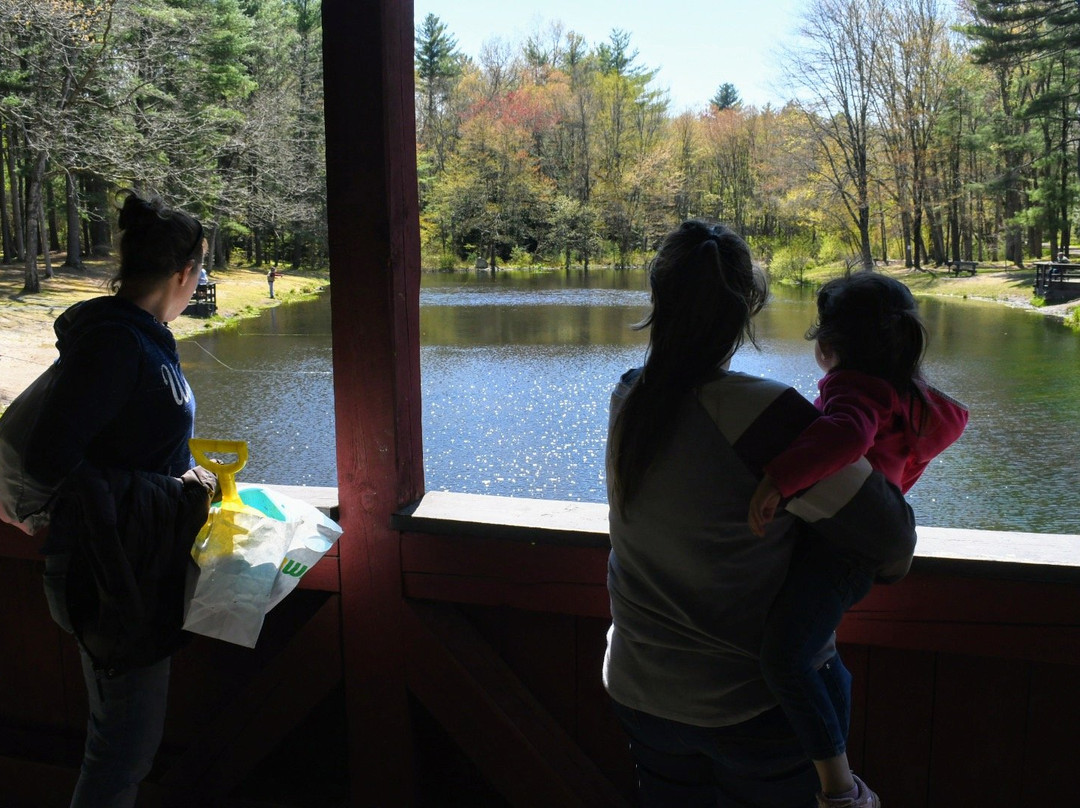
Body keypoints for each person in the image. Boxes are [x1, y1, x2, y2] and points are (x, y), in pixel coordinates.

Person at [604, 220, 918, 808]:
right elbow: (893, 540)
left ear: (659, 300)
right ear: (745, 309)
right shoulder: (762, 414)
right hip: (750, 708)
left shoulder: (628, 396)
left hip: (640, 692)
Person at [747, 272, 968, 807]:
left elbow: (845, 435)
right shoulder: (907, 396)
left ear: (827, 346)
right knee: (818, 652)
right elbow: (942, 428)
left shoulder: (856, 389)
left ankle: (839, 791)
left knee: (783, 655)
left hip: (840, 550)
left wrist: (780, 478)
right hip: (858, 546)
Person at [26, 191, 216, 807]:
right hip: (107, 571)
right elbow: (50, 458)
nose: (203, 282)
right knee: (120, 755)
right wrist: (177, 490)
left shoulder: (145, 337)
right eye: (204, 270)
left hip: (132, 559)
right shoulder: (115, 343)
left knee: (125, 747)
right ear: (185, 273)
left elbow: (126, 442)